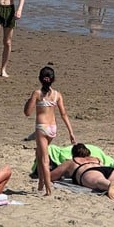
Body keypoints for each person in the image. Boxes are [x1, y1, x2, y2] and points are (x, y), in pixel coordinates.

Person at [25, 66, 76, 196]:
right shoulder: (57, 95)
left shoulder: (37, 93)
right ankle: (41, 183)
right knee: (39, 153)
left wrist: (29, 100)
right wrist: (71, 132)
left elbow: (27, 112)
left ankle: (48, 190)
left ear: (40, 79)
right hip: (53, 128)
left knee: (44, 159)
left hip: (42, 128)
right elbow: (64, 114)